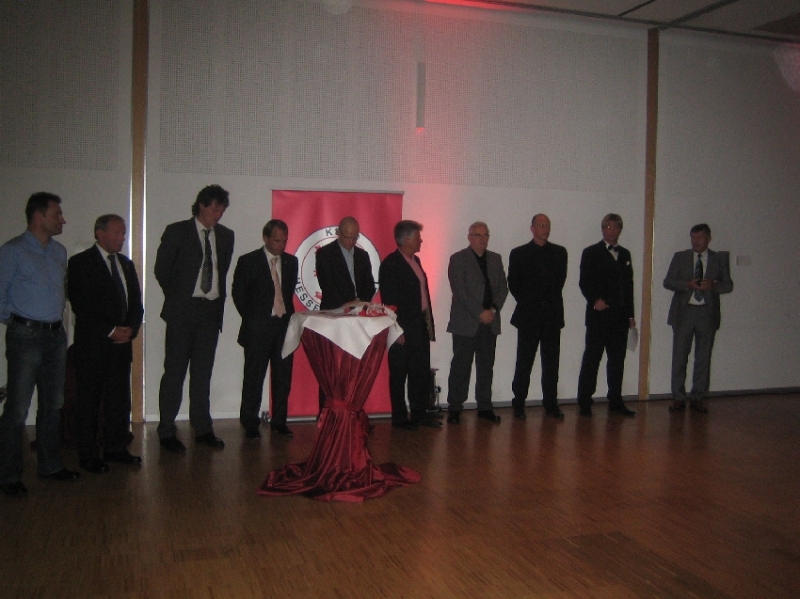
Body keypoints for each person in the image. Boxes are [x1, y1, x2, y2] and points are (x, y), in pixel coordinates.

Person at [0, 192, 80, 497]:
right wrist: (19, 323)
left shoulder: (59, 252)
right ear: (38, 216)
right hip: (26, 336)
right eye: (57, 214)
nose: (62, 220)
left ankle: (50, 465)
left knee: (53, 404)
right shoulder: (13, 251)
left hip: (55, 336)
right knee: (18, 407)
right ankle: (9, 475)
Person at [154, 184, 234, 452]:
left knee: (202, 374)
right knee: (175, 372)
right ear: (201, 205)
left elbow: (221, 271)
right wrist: (180, 297)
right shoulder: (177, 231)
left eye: (221, 210)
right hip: (182, 311)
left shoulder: (226, 236)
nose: (218, 215)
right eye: (214, 209)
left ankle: (202, 428)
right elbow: (162, 270)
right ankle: (167, 430)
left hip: (210, 312)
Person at [68, 215, 144, 473]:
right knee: (89, 401)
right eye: (117, 233)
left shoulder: (126, 264)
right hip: (93, 345)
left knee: (118, 400)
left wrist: (130, 329)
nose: (122, 238)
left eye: (123, 233)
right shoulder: (81, 263)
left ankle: (116, 448)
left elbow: (135, 302)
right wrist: (110, 331)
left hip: (121, 345)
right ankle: (88, 455)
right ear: (100, 233)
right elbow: (81, 304)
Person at [232, 219, 298, 438]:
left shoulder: (291, 262)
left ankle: (279, 421)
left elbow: (287, 293)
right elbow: (238, 294)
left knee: (283, 377)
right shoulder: (248, 261)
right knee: (254, 376)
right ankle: (250, 421)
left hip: (283, 327)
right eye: (277, 240)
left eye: (284, 241)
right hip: (258, 328)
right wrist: (254, 319)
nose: (281, 245)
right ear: (266, 238)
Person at [664, 224, 733, 414]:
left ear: (708, 238)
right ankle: (678, 397)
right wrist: (687, 284)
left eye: (700, 237)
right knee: (679, 356)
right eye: (693, 237)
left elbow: (728, 285)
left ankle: (698, 397)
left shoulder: (718, 259)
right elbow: (668, 281)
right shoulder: (681, 257)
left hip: (706, 313)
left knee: (703, 358)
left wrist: (714, 286)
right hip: (684, 312)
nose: (695, 241)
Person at [378, 220, 441, 430]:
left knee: (419, 372)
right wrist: (396, 330)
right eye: (417, 237)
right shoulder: (390, 264)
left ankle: (419, 414)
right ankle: (399, 418)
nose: (420, 240)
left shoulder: (416, 260)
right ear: (405, 240)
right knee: (399, 374)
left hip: (419, 324)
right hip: (402, 328)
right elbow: (389, 301)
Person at [445, 222, 508, 424]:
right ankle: (455, 408)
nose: (483, 239)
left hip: (490, 322)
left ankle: (485, 407)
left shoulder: (495, 259)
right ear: (469, 237)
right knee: (461, 367)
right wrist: (480, 312)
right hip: (465, 323)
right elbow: (459, 291)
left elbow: (503, 288)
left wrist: (493, 310)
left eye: (486, 235)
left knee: (486, 367)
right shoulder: (458, 259)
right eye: (478, 235)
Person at [508, 214, 568, 420]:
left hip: (552, 315)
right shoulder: (519, 253)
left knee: (551, 363)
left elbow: (558, 282)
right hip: (529, 316)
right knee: (524, 362)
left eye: (547, 225)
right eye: (541, 225)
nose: (545, 228)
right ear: (532, 228)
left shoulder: (560, 253)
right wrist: (531, 302)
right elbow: (514, 284)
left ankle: (551, 403)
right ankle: (518, 403)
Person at [576, 213, 636, 417]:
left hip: (620, 317)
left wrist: (630, 315)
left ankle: (616, 400)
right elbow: (584, 281)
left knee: (617, 361)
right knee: (592, 359)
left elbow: (628, 287)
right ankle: (585, 401)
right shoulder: (591, 252)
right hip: (599, 316)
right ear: (602, 229)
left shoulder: (625, 254)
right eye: (608, 227)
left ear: (620, 230)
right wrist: (595, 300)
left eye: (615, 227)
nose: (611, 231)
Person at [314, 216, 376, 412]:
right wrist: (347, 305)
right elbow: (327, 285)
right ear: (338, 233)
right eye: (347, 237)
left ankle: (352, 414)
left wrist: (360, 303)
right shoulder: (325, 254)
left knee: (354, 367)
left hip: (357, 317)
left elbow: (369, 285)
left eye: (354, 237)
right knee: (331, 367)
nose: (351, 242)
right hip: (334, 316)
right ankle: (327, 414)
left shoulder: (362, 255)